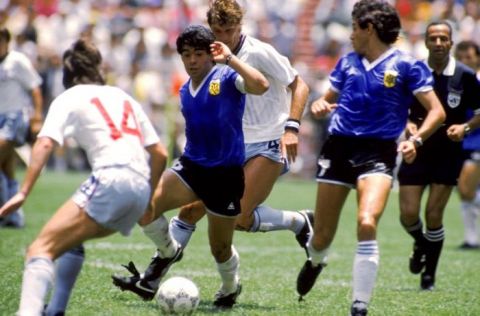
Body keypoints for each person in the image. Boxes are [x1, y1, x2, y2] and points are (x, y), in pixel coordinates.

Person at [112, 0, 311, 302]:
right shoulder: (207, 55)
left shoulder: (257, 53)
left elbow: (299, 85)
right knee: (189, 210)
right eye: (217, 30)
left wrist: (292, 127)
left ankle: (299, 221)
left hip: (267, 141)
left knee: (241, 219)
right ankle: (152, 278)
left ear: (239, 27)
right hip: (229, 146)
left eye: (228, 30)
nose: (223, 37)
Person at [295, 1, 446, 315]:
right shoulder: (347, 62)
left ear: (370, 29)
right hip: (338, 148)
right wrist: (320, 106)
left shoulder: (407, 65)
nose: (350, 34)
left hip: (378, 152)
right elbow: (324, 101)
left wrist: (415, 139)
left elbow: (437, 111)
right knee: (322, 236)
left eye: (354, 27)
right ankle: (316, 259)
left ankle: (359, 305)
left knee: (366, 221)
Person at [0, 38, 167, 316]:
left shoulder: (69, 96)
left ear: (68, 74)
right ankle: (55, 310)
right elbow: (160, 153)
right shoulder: (123, 96)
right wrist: (148, 198)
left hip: (111, 180)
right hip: (138, 187)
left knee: (40, 249)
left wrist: (23, 192)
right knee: (71, 240)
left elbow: (43, 144)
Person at [398, 21, 480, 292]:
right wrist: (408, 125)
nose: (438, 43)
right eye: (433, 38)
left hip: (447, 152)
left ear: (451, 43)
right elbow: (400, 108)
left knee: (434, 215)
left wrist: (465, 127)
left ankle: (428, 276)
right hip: (416, 148)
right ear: (425, 41)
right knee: (408, 214)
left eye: (443, 38)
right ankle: (421, 243)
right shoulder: (414, 71)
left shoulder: (465, 75)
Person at [0, 27, 43, 228]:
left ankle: (7, 213)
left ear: (7, 42)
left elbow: (35, 88)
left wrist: (36, 116)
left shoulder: (17, 61)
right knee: (6, 168)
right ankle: (13, 217)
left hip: (14, 117)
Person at [454, 40, 480, 249]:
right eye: (460, 58)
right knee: (465, 191)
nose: (464, 61)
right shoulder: (456, 81)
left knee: (466, 187)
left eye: (468, 57)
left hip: (477, 142)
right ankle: (472, 239)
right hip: (461, 143)